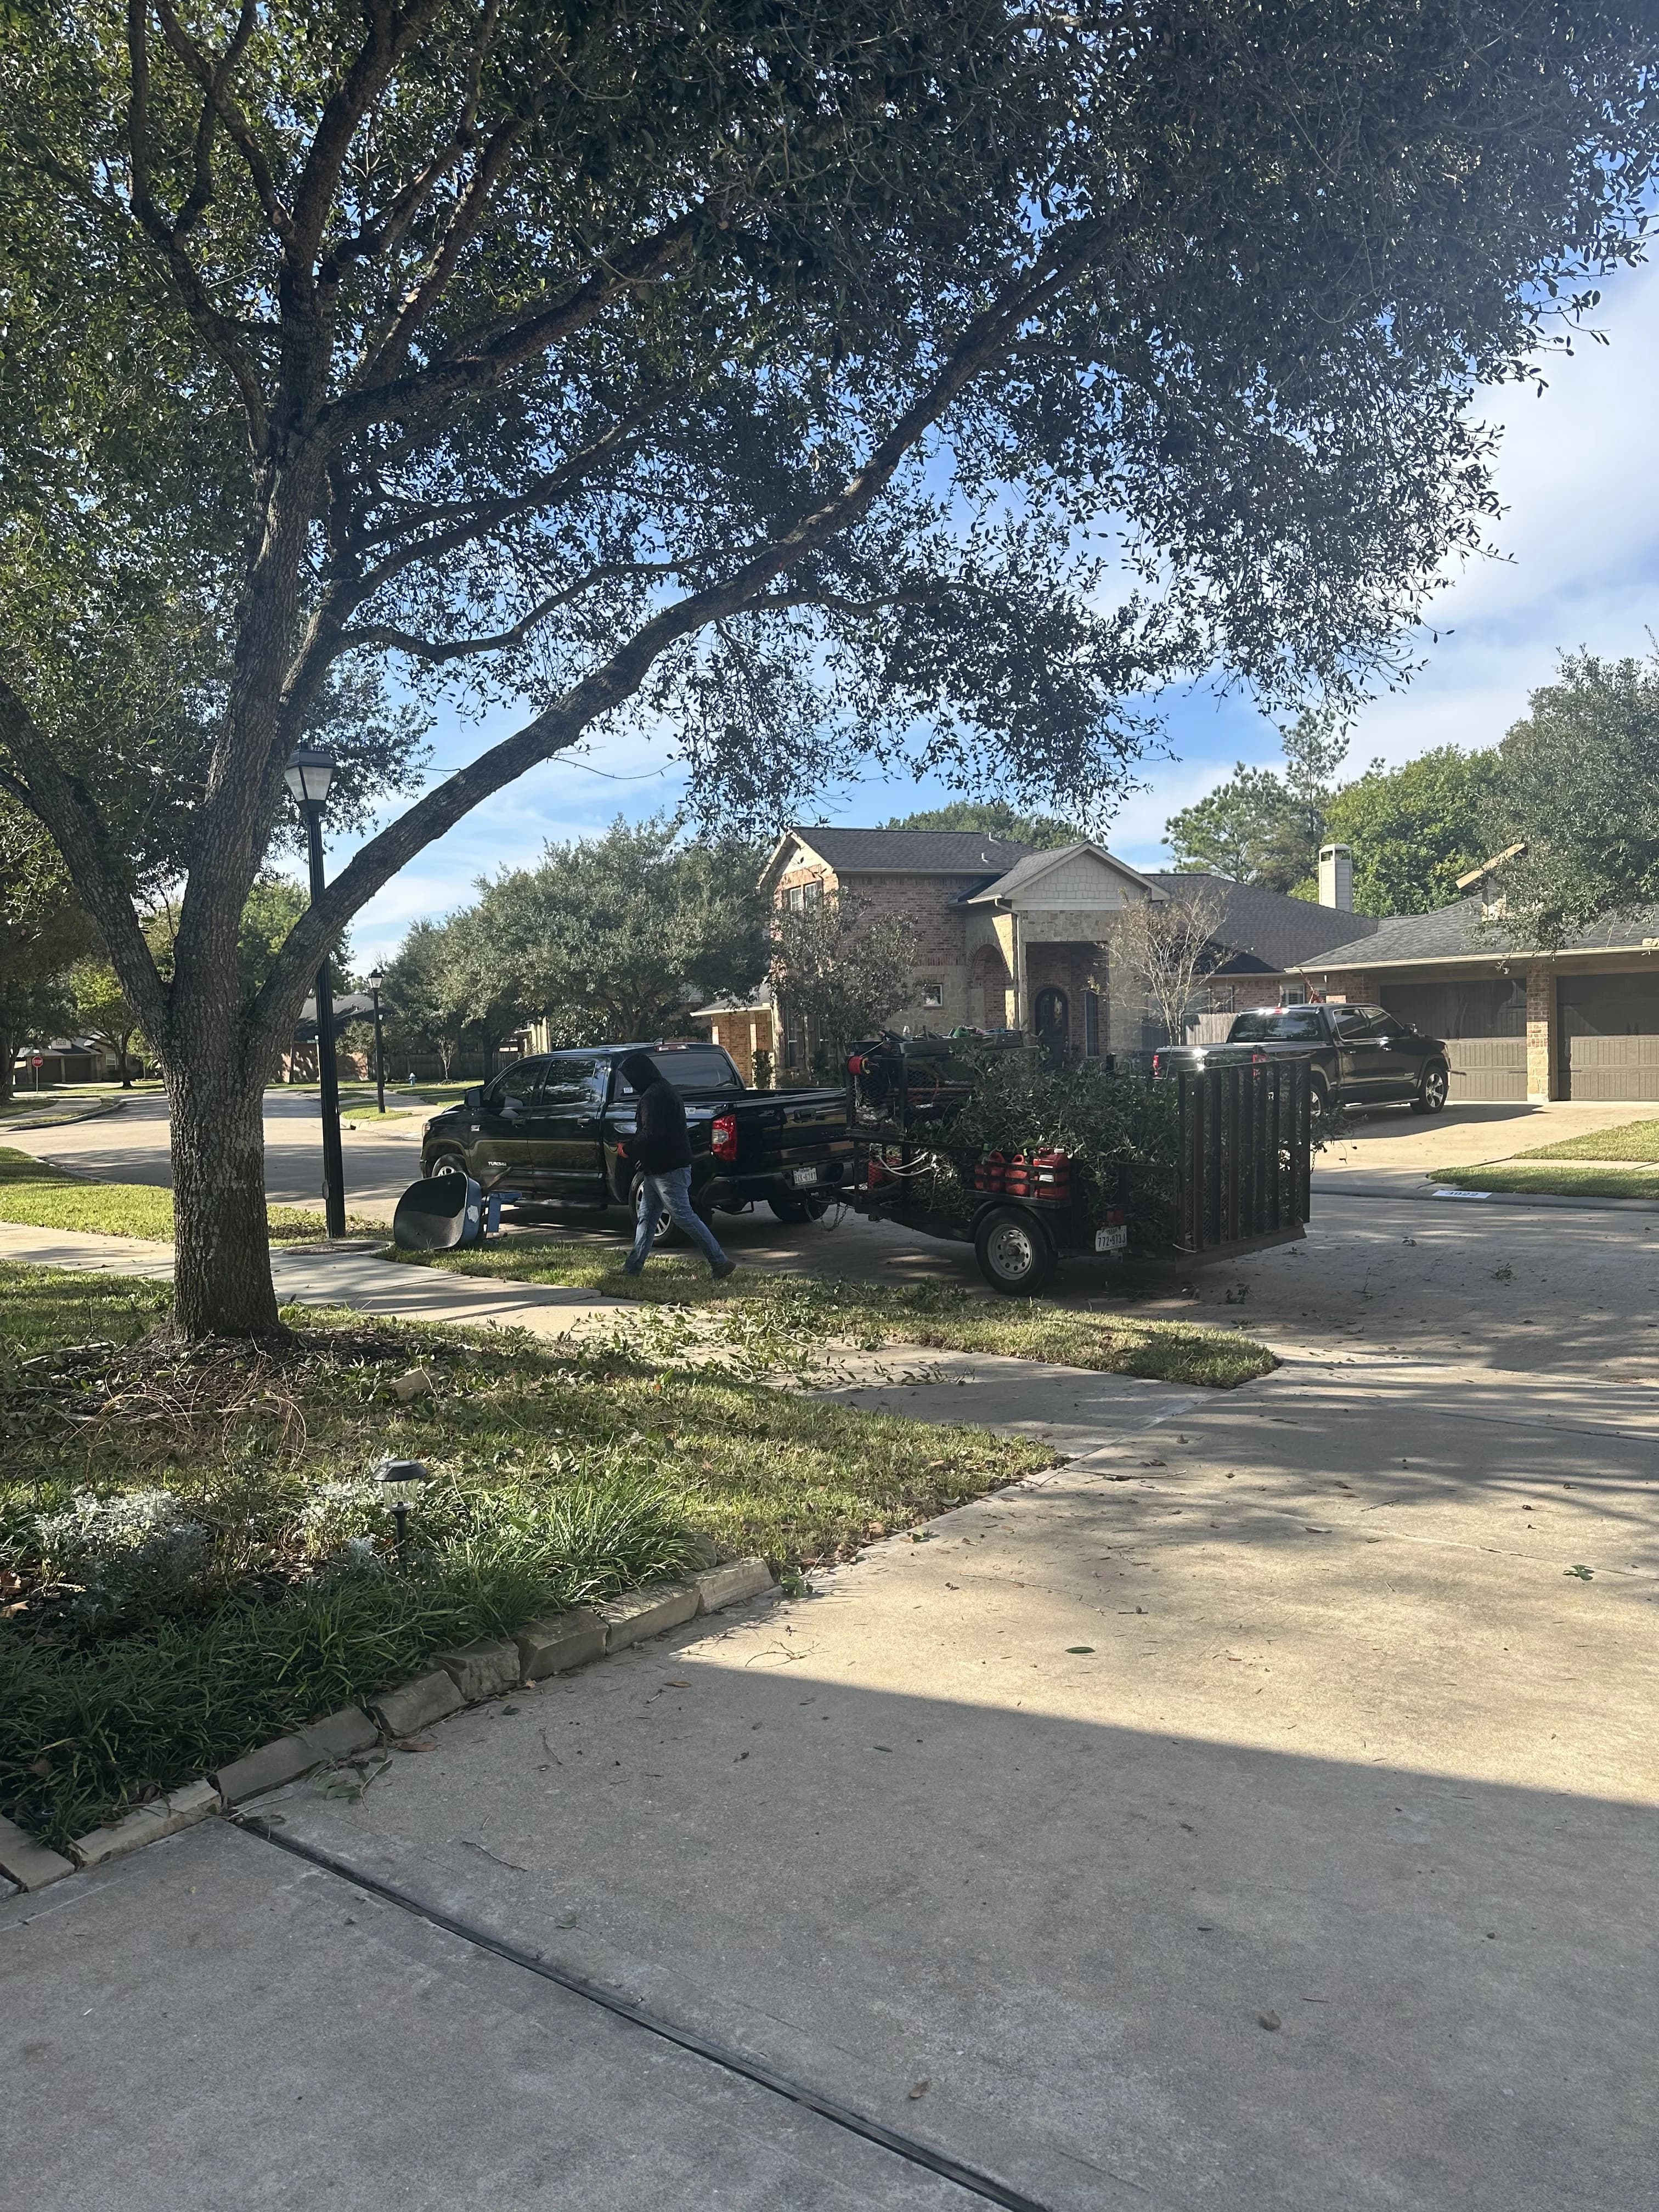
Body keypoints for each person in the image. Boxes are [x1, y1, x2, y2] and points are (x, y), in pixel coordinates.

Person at [617, 1050, 736, 1279]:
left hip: (668, 1170)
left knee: (684, 1216)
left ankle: (720, 1261)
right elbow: (661, 1136)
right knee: (647, 1218)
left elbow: (652, 1135)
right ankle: (632, 1268)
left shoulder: (654, 1096)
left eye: (632, 1077)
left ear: (641, 1075)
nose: (631, 1084)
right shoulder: (664, 1090)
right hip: (659, 1168)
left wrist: (628, 1149)